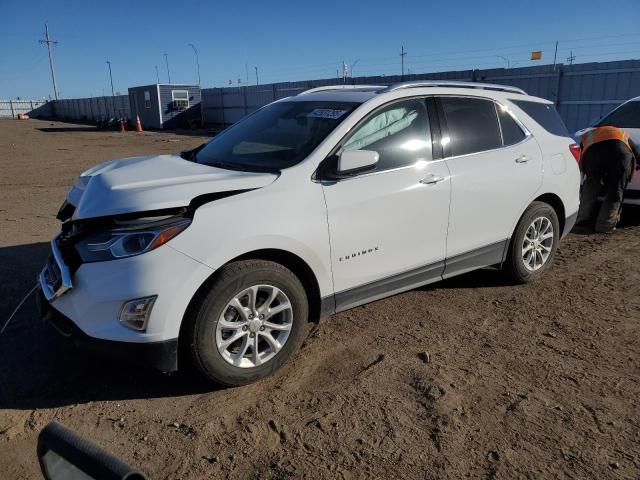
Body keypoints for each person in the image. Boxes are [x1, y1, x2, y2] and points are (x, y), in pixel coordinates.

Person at [575, 125, 640, 233]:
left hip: (593, 154)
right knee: (616, 190)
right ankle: (605, 225)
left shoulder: (590, 134)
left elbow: (581, 154)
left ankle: (582, 221)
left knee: (591, 186)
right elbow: (636, 153)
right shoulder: (621, 133)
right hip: (620, 155)